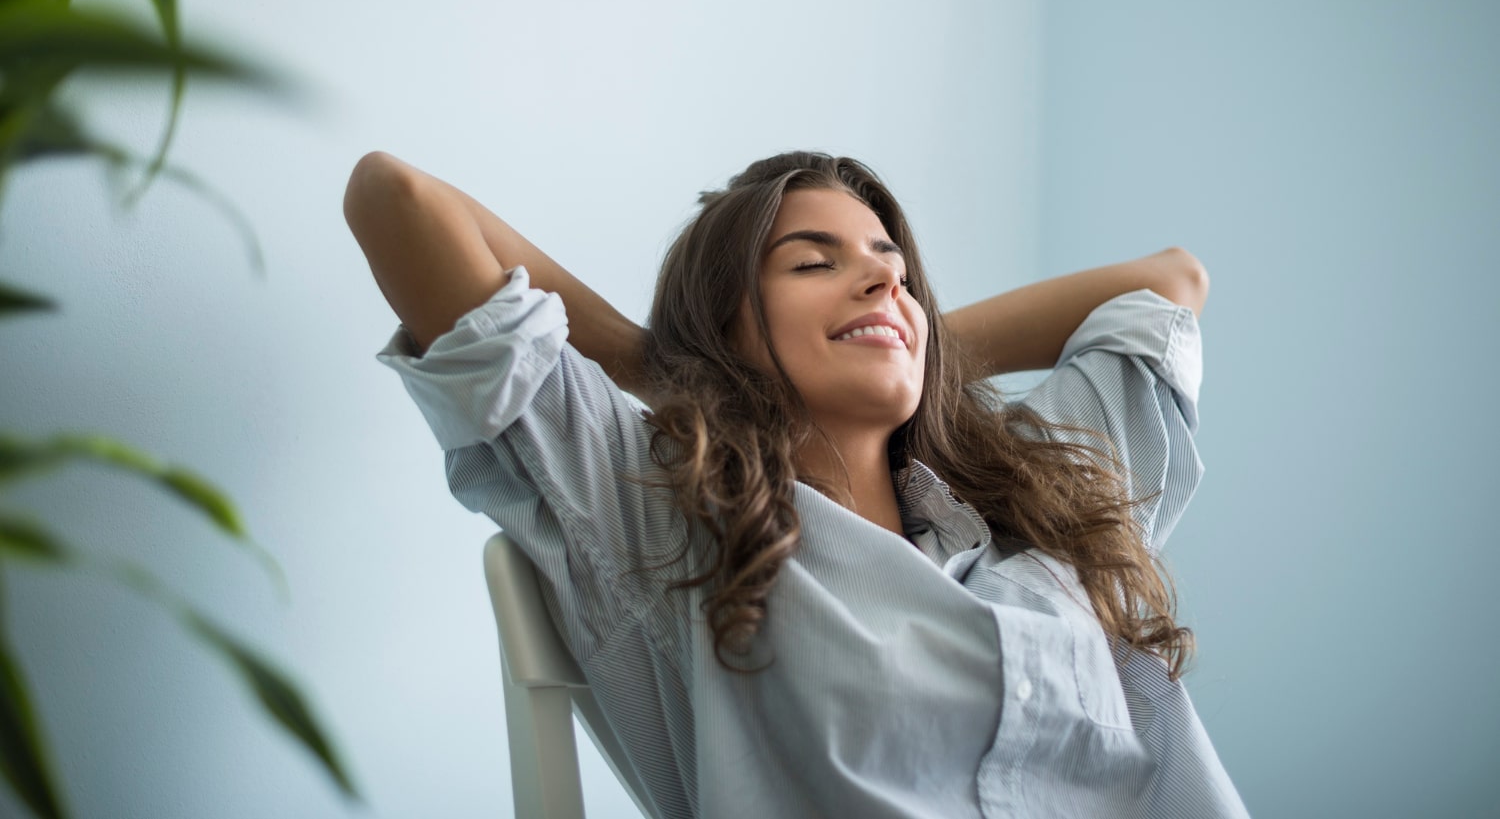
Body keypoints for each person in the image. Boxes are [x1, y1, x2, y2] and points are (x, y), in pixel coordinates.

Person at [345, 149, 1249, 818]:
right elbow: (397, 199)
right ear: (727, 328)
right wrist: (665, 368)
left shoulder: (1042, 511)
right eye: (816, 262)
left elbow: (1172, 284)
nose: (883, 278)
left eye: (895, 269)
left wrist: (901, 337)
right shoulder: (666, 521)